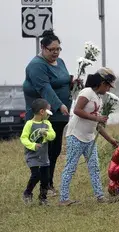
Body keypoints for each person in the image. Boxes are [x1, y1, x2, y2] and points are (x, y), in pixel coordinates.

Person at [58, 68, 119, 206]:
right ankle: (63, 198)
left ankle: (100, 196)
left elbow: (97, 125)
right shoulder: (87, 92)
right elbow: (77, 110)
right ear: (102, 83)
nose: (109, 89)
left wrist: (110, 140)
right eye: (108, 85)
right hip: (76, 136)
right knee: (71, 167)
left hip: (89, 138)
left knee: (94, 167)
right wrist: (97, 118)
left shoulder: (98, 98)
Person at [23, 30, 72, 197]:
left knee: (55, 150)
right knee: (42, 154)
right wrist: (60, 105)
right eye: (52, 49)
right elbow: (45, 88)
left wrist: (72, 82)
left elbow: (62, 81)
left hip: (59, 117)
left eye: (58, 49)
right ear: (42, 48)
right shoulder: (36, 65)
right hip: (42, 117)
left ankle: (48, 185)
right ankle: (34, 190)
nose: (56, 52)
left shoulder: (61, 62)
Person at [20, 99, 56, 205]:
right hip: (32, 155)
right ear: (42, 112)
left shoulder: (47, 123)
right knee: (36, 175)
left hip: (44, 156)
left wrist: (46, 134)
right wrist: (33, 145)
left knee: (45, 178)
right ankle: (27, 193)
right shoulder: (29, 124)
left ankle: (43, 198)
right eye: (48, 111)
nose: (49, 114)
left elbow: (52, 135)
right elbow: (24, 138)